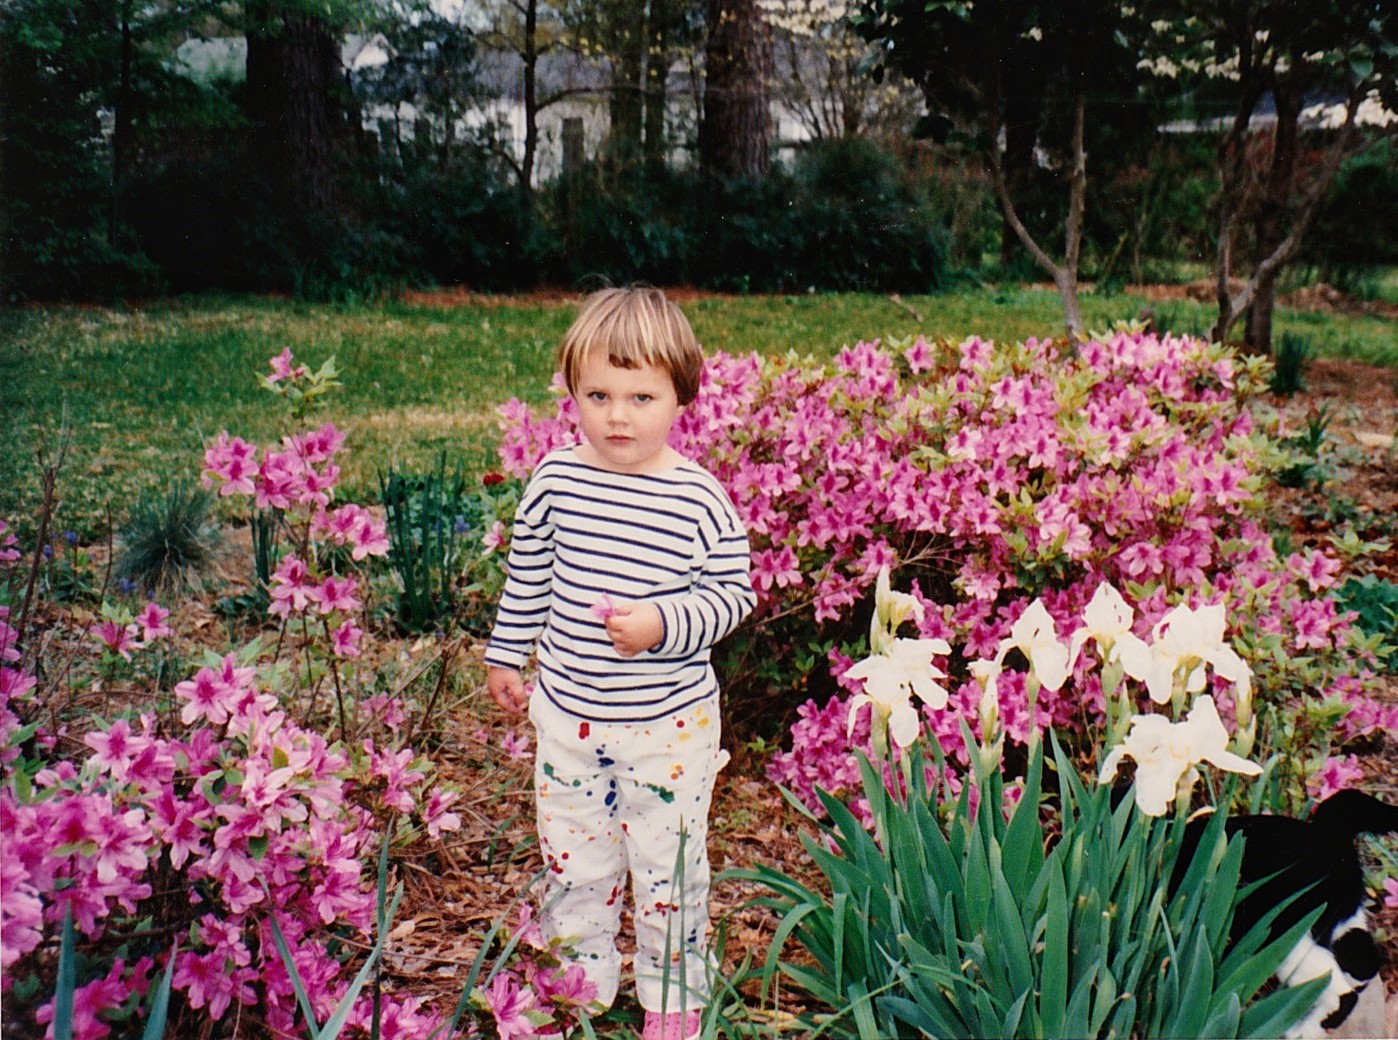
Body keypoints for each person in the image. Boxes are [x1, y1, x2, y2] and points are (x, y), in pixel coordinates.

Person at [485, 287, 756, 1040]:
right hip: (570, 721)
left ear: (680, 398)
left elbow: (733, 595)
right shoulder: (557, 482)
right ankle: (580, 991)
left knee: (669, 870)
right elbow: (529, 576)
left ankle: (672, 1001)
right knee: (576, 861)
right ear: (572, 394)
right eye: (597, 394)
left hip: (667, 731)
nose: (617, 416)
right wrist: (508, 653)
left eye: (641, 396)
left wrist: (664, 623)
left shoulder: (697, 499)